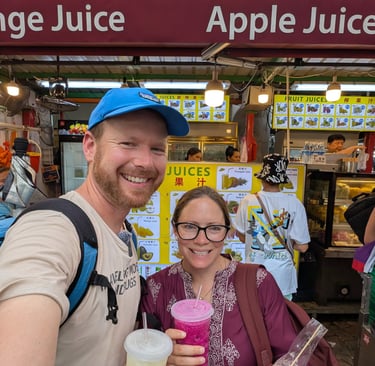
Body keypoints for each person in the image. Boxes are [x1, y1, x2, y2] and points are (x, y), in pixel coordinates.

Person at [0, 87, 189, 366]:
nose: (145, 162)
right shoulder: (51, 232)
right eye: (127, 143)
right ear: (89, 146)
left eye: (157, 148)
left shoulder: (123, 230)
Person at [140, 185, 299, 365]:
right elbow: (140, 353)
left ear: (226, 232)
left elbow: (291, 356)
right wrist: (160, 360)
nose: (201, 240)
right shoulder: (156, 288)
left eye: (214, 228)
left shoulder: (258, 283)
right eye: (190, 227)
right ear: (175, 229)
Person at [233, 153, 310, 300]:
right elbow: (303, 247)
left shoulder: (248, 201)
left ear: (262, 178)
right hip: (282, 277)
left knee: (254, 317)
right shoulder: (294, 204)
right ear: (282, 180)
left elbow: (243, 237)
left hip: (254, 274)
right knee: (279, 318)